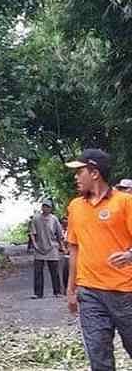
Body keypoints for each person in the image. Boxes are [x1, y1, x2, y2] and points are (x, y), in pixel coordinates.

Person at [65, 149, 132, 371]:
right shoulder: (75, 207)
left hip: (125, 292)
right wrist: (71, 289)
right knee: (98, 356)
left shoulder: (125, 202)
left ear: (94, 173)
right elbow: (74, 249)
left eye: (79, 171)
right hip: (90, 292)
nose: (76, 177)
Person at [30, 198, 64, 298]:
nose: (45, 208)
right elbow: (32, 232)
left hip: (52, 247)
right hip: (39, 248)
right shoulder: (36, 218)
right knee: (38, 272)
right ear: (41, 207)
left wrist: (62, 246)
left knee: (55, 271)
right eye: (44, 206)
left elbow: (59, 234)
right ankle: (38, 293)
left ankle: (57, 292)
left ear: (51, 208)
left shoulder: (54, 219)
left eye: (48, 207)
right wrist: (34, 244)